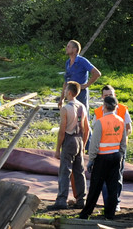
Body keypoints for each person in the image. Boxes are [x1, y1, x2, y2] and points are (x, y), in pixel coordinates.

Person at [79, 95, 126, 221]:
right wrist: (120, 155)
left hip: (102, 158)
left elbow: (94, 143)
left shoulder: (101, 122)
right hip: (115, 156)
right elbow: (123, 142)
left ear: (104, 107)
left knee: (95, 187)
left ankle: (86, 214)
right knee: (113, 187)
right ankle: (110, 214)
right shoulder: (121, 121)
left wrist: (91, 160)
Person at [46, 81, 89, 211]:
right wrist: (83, 146)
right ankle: (82, 200)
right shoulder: (82, 106)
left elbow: (62, 131)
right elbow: (86, 129)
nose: (64, 93)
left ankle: (61, 200)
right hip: (79, 139)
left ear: (69, 93)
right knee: (79, 171)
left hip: (69, 140)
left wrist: (58, 149)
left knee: (65, 171)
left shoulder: (66, 109)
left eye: (65, 91)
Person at [92, 85, 131, 211]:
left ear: (115, 95)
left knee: (118, 178)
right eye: (106, 95)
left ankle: (115, 203)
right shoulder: (98, 112)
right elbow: (95, 133)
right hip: (103, 153)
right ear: (102, 98)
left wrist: (118, 140)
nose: (108, 97)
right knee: (103, 180)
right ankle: (107, 203)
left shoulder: (123, 110)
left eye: (110, 95)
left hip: (117, 151)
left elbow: (128, 129)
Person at [61, 40, 102, 112]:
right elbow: (66, 80)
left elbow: (97, 73)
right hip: (70, 92)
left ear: (74, 49)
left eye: (68, 47)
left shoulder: (82, 61)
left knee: (82, 113)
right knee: (72, 113)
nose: (66, 48)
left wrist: (86, 85)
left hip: (81, 92)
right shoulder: (68, 62)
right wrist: (62, 99)